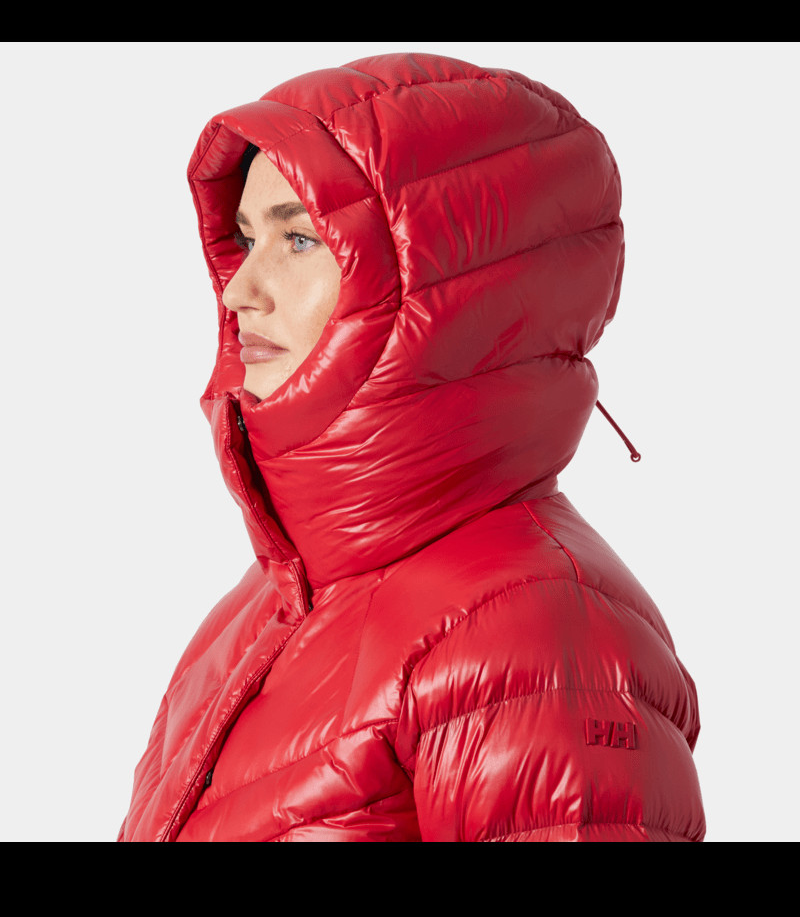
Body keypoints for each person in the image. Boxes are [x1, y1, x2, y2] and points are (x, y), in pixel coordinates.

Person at [119, 52, 705, 842]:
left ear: (445, 291)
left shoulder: (536, 634)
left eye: (300, 240)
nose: (238, 290)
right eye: (248, 239)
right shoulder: (264, 610)